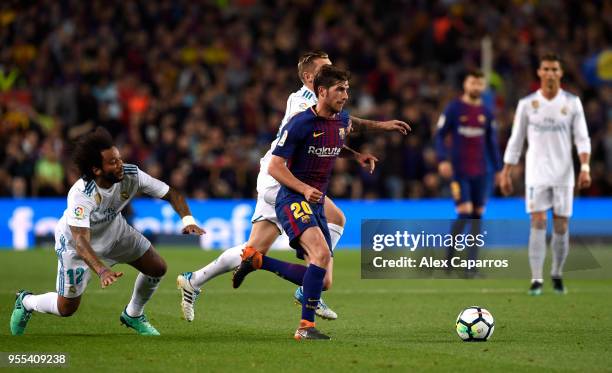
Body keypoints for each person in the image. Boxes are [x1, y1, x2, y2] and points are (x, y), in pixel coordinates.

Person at [176, 51, 409, 322]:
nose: (331, 73)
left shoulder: (318, 101)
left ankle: (195, 280)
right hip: (282, 176)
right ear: (311, 78)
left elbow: (338, 129)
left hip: (280, 175)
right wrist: (378, 129)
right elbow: (321, 137)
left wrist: (359, 151)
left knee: (257, 248)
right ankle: (311, 283)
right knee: (330, 223)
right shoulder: (302, 104)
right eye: (325, 69)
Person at [9, 127, 204, 336]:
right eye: (113, 162)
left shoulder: (131, 174)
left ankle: (133, 314)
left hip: (116, 233)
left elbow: (171, 194)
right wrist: (102, 270)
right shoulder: (81, 195)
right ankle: (27, 301)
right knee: (65, 308)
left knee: (157, 268)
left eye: (119, 159)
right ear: (96, 170)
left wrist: (188, 220)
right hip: (77, 248)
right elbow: (81, 242)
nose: (120, 165)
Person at [235, 64, 352, 339]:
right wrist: (303, 188)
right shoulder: (299, 123)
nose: (345, 95)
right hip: (292, 197)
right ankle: (305, 328)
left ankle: (258, 261)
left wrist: (358, 156)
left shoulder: (342, 121)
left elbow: (335, 144)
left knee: (323, 280)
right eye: (339, 89)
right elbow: (275, 166)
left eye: (347, 89)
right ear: (321, 91)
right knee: (321, 254)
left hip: (316, 201)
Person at [500, 53, 591, 295]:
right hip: (536, 173)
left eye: (554, 69)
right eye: (546, 69)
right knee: (538, 221)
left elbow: (582, 138)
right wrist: (506, 172)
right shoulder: (527, 104)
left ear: (560, 73)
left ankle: (557, 273)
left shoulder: (572, 103)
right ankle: (537, 279)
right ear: (539, 73)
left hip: (564, 174)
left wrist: (585, 168)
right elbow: (516, 139)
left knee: (561, 226)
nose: (550, 73)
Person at [435, 70, 502, 275]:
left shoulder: (487, 112)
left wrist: (498, 169)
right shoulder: (454, 108)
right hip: (459, 170)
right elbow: (439, 135)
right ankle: (449, 259)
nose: (476, 87)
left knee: (477, 216)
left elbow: (492, 142)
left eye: (480, 84)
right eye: (473, 82)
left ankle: (471, 265)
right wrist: (442, 159)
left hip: (483, 171)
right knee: (464, 214)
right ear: (465, 84)